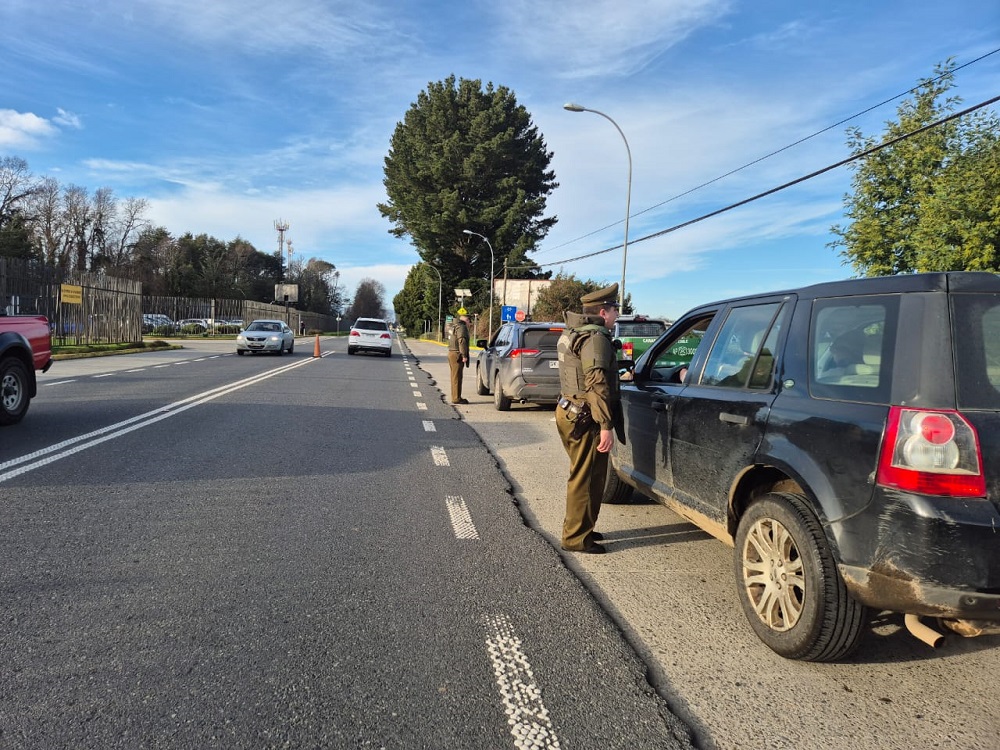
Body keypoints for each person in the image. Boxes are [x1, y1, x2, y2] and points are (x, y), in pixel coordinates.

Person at [555, 283, 625, 554]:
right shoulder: (595, 338)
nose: (617, 315)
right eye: (615, 310)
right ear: (604, 311)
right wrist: (606, 425)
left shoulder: (572, 331)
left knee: (590, 476)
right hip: (587, 417)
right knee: (585, 478)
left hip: (570, 410)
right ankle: (575, 538)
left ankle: (583, 527)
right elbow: (596, 383)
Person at [448, 313, 470, 405]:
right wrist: (464, 355)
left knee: (454, 377)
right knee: (457, 377)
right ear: (466, 320)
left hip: (452, 352)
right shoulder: (461, 327)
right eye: (469, 321)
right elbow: (462, 341)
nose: (470, 324)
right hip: (457, 354)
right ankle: (456, 398)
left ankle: (455, 396)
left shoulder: (454, 326)